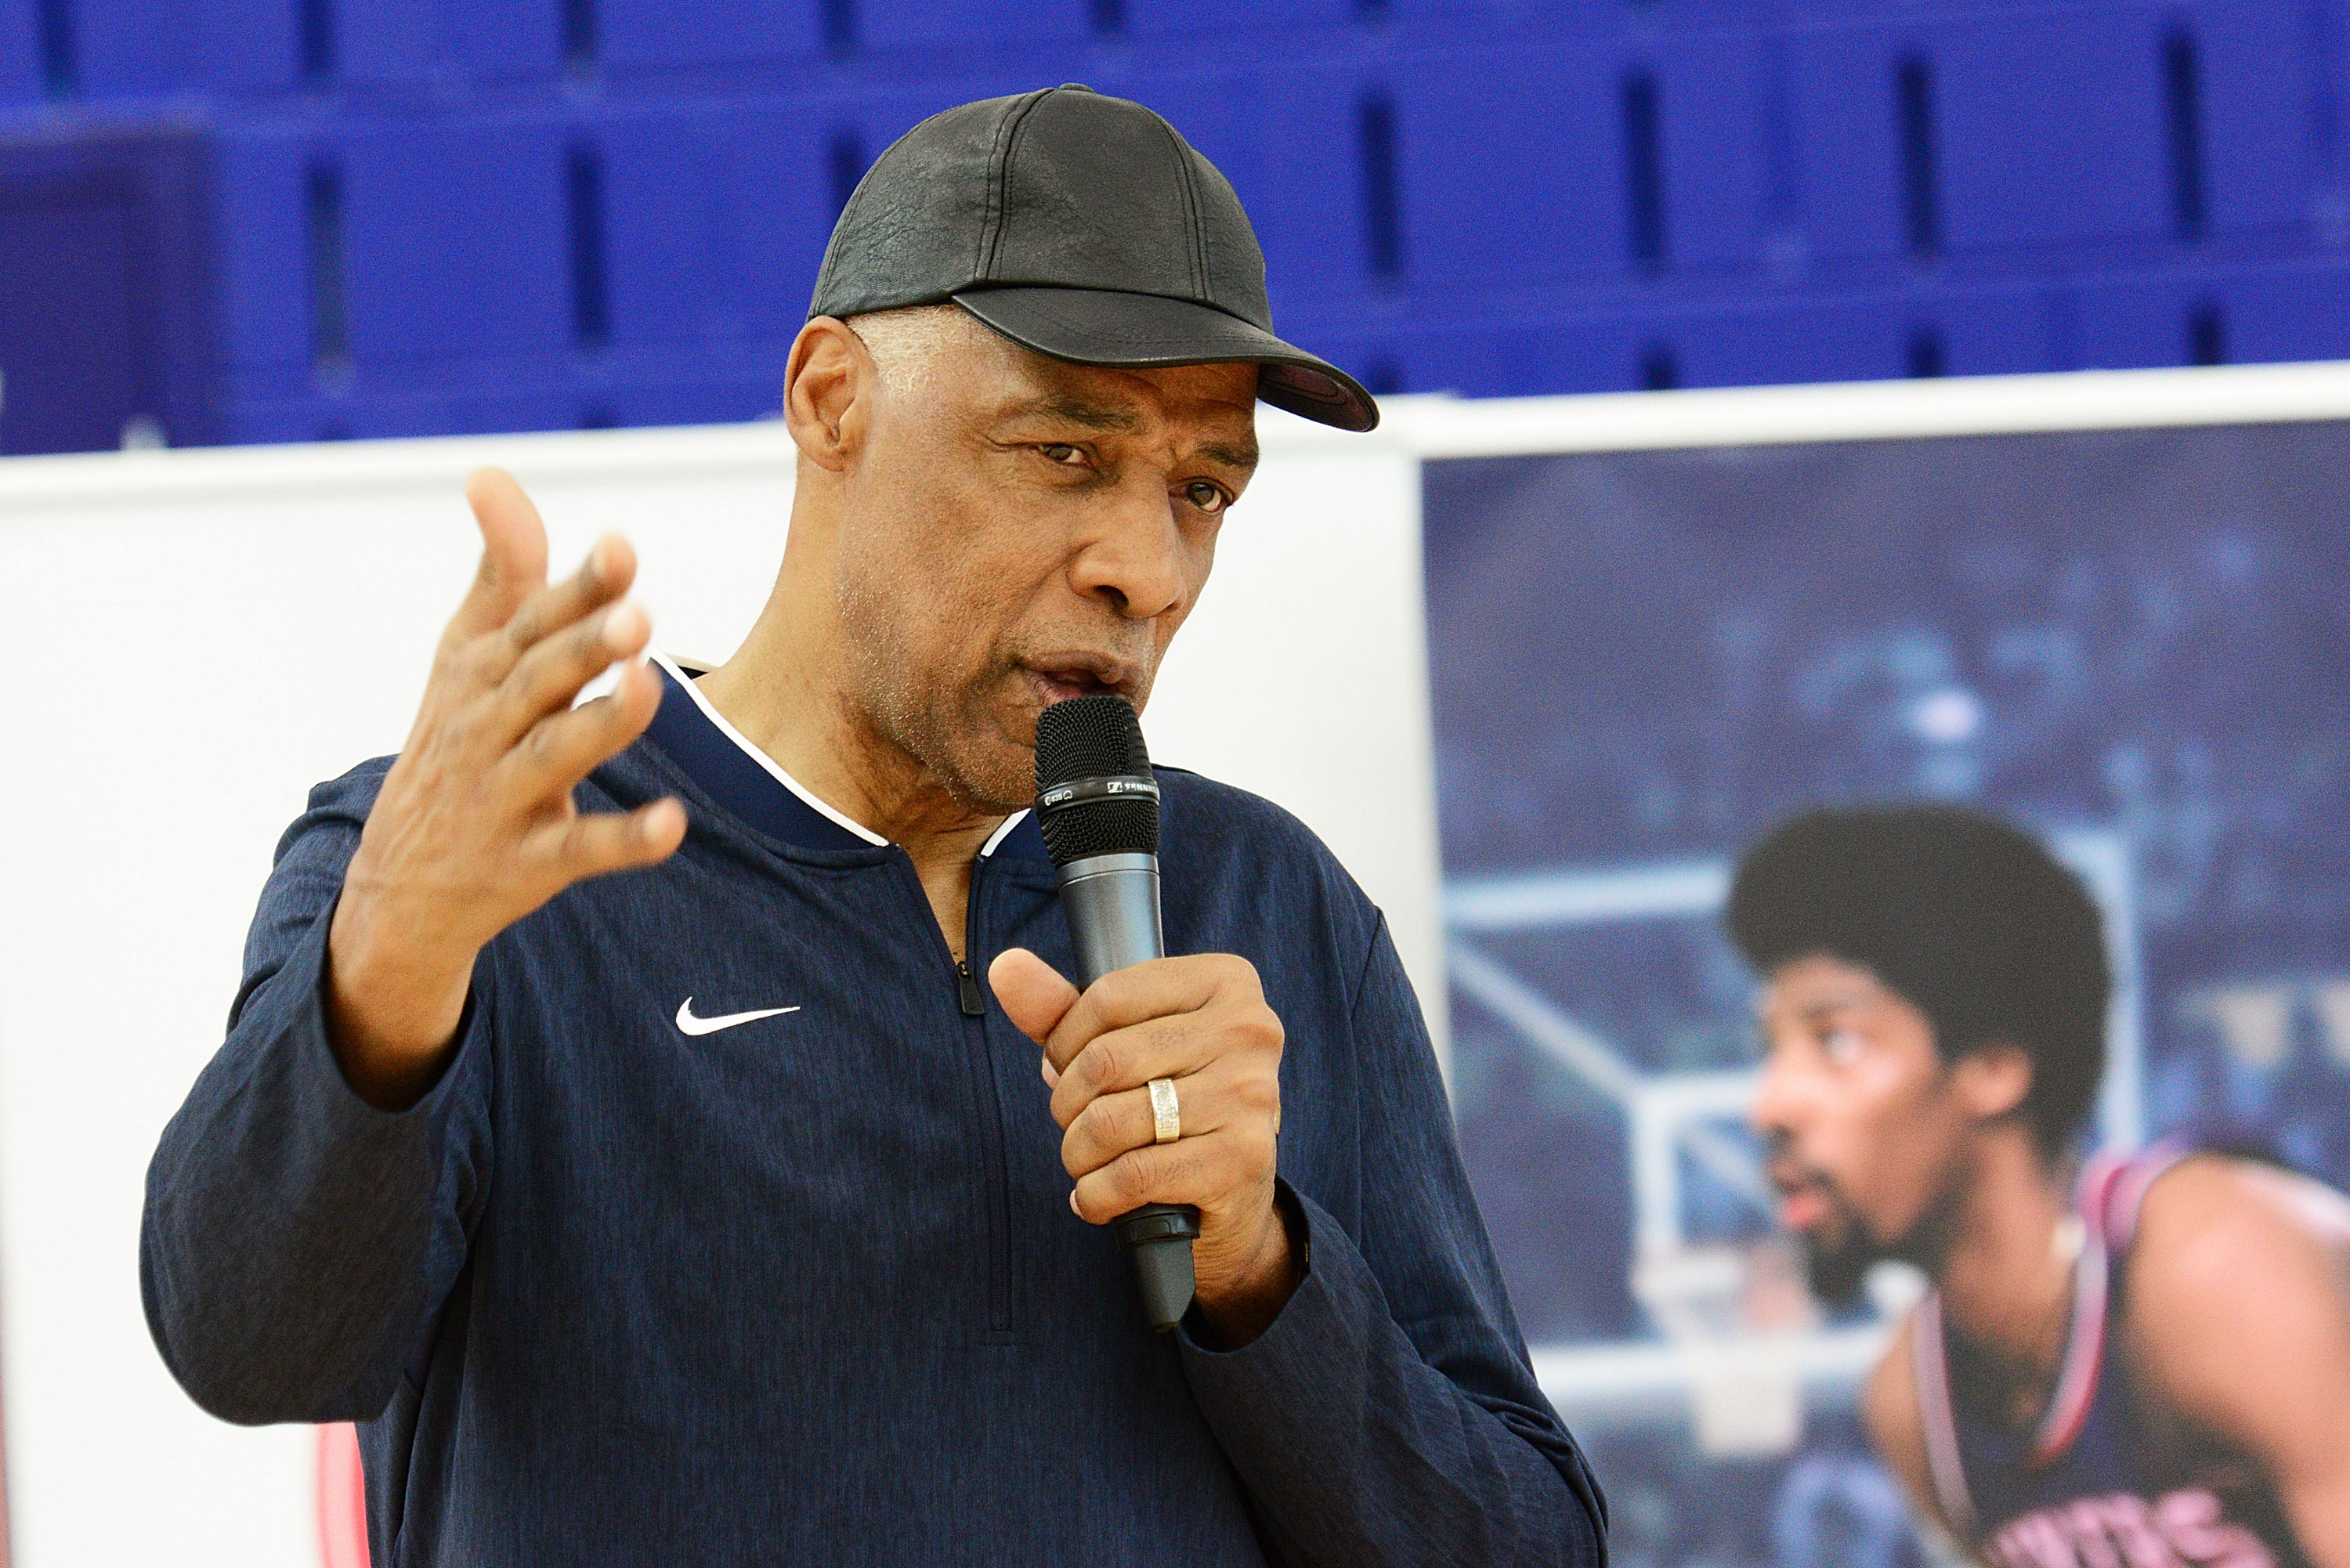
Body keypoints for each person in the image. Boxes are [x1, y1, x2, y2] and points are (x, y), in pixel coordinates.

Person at [140, 85, 1607, 1566]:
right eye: (1066, 454)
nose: (1145, 568)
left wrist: (1262, 1266)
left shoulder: (1268, 903)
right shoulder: (486, 863)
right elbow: (253, 1351)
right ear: (832, 397)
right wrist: (385, 970)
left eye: (1202, 488)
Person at [1733, 804, 2350, 1568]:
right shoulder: (1912, 1405)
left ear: (1994, 1066)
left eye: (1836, 1042)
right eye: (1770, 1048)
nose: (1768, 1104)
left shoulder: (2218, 1267)